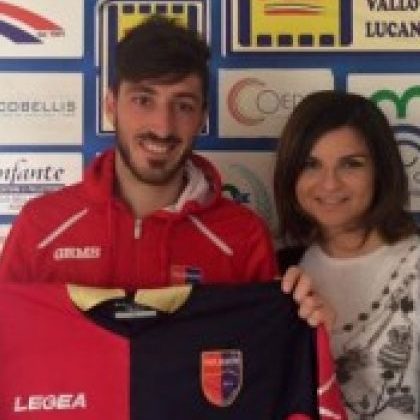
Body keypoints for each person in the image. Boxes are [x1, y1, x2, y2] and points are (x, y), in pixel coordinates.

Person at [0, 15, 328, 328]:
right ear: (111, 106)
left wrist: (300, 318)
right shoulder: (40, 227)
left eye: (183, 105)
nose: (162, 127)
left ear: (202, 117)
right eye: (144, 100)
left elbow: (266, 355)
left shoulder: (243, 237)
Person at [274, 90, 419, 419]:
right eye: (311, 164)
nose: (329, 184)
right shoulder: (282, 275)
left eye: (351, 164)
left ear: (381, 171)